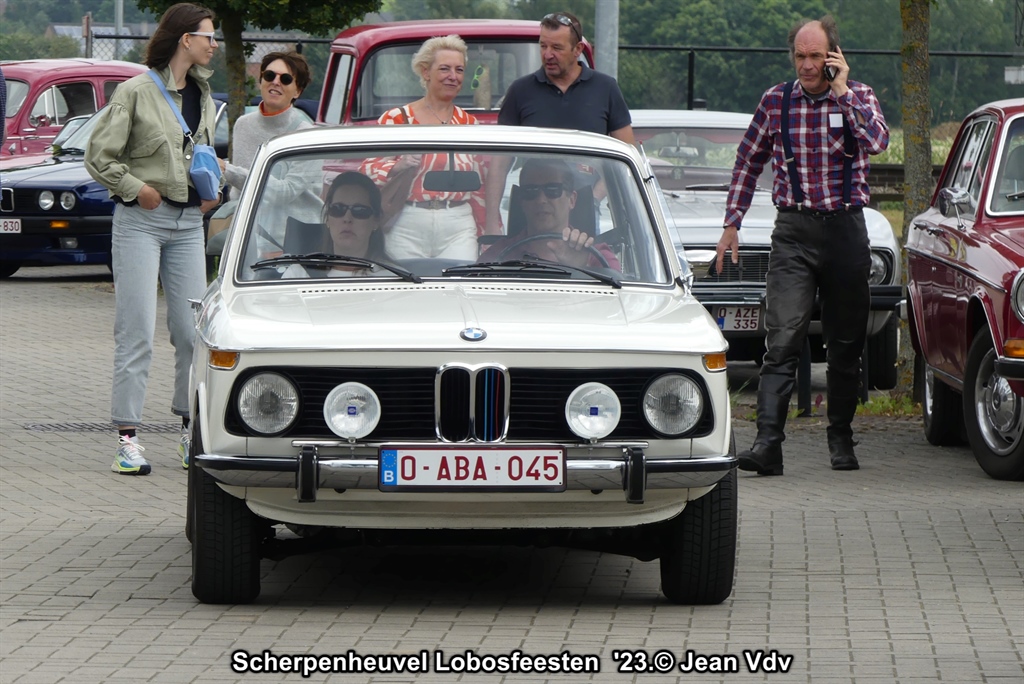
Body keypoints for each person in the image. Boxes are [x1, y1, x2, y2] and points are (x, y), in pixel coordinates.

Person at [715, 15, 889, 476]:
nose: (807, 65)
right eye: (800, 56)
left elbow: (877, 142)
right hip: (794, 232)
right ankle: (767, 444)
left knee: (845, 344)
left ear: (833, 56)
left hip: (846, 230)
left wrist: (843, 91)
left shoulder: (859, 96)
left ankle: (841, 437)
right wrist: (732, 222)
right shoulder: (776, 101)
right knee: (782, 338)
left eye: (816, 56)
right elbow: (747, 160)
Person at [85, 2, 221, 475]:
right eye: (209, 36)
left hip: (188, 225)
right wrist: (135, 188)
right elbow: (98, 155)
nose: (214, 44)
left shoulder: (204, 93)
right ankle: (127, 441)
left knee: (192, 334)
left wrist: (213, 192)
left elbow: (199, 153)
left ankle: (190, 432)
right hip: (140, 222)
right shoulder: (136, 91)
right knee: (136, 331)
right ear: (186, 39)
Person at [484, 11, 633, 233]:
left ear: (578, 50)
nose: (548, 55)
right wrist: (491, 221)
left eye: (557, 48)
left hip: (586, 207)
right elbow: (499, 163)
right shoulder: (520, 91)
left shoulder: (606, 88)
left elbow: (627, 154)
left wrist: (595, 196)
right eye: (543, 46)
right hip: (533, 207)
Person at [360, 35, 493, 260]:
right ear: (425, 72)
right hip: (406, 221)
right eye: (444, 69)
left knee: (458, 280)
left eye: (459, 70)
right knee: (406, 282)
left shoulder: (470, 124)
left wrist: (488, 232)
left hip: (459, 223)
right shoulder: (396, 119)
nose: (453, 76)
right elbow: (366, 169)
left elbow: (480, 189)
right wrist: (397, 166)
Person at [217, 50, 320, 255]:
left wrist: (228, 170)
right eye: (270, 75)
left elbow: (285, 192)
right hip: (248, 237)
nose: (276, 82)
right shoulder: (242, 125)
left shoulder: (308, 136)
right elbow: (239, 192)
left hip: (295, 243)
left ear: (297, 91)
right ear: (261, 81)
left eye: (286, 79)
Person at [479, 158, 619, 271]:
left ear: (572, 200)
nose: (541, 200)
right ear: (521, 201)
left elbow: (619, 291)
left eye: (552, 190)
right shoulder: (498, 254)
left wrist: (582, 267)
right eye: (531, 191)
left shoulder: (595, 255)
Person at [280, 172, 390, 279]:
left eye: (359, 211)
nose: (347, 219)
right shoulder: (298, 274)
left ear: (376, 221)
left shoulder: (393, 278)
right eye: (338, 209)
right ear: (327, 218)